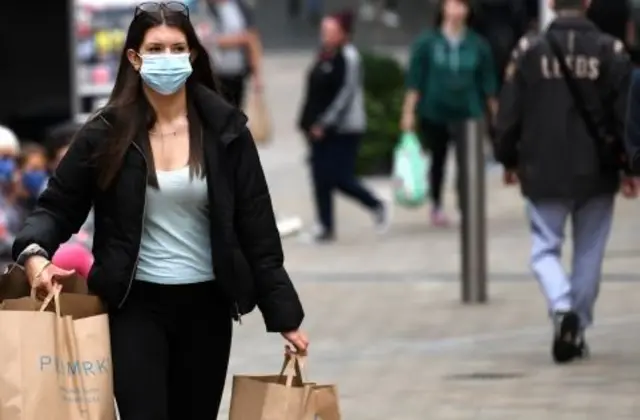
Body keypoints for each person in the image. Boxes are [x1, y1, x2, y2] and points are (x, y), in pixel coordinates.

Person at [12, 3, 308, 419]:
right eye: (155, 48)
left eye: (177, 48)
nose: (167, 58)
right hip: (134, 306)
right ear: (134, 57)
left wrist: (285, 316)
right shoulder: (105, 133)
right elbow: (57, 207)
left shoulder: (226, 132)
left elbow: (256, 228)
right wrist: (34, 254)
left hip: (207, 307)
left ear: (192, 56)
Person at [494, 0, 633, 364]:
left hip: (543, 167)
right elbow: (626, 116)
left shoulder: (529, 49)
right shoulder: (610, 50)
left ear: (552, 4)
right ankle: (579, 325)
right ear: (587, 2)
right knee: (589, 250)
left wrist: (507, 157)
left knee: (544, 248)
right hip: (596, 169)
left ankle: (561, 307)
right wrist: (631, 167)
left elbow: (510, 111)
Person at [401, 0, 498, 226]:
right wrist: (408, 112)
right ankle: (436, 204)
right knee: (437, 160)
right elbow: (415, 81)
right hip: (435, 111)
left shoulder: (477, 45)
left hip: (468, 112)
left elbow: (489, 84)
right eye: (452, 5)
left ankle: (466, 205)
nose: (456, 11)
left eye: (461, 6)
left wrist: (496, 114)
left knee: (468, 163)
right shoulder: (428, 43)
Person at [298, 10, 390, 243]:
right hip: (318, 127)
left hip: (345, 128)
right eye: (324, 31)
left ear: (344, 34)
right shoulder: (324, 55)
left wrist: (324, 123)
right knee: (319, 176)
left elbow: (345, 95)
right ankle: (325, 225)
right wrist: (308, 121)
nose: (326, 36)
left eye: (331, 31)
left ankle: (376, 204)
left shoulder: (349, 57)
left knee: (339, 176)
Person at [205, 0, 263, 107]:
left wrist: (257, 76)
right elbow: (204, 39)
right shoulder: (204, 9)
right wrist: (241, 40)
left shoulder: (241, 7)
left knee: (236, 113)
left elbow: (253, 39)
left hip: (237, 72)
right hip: (213, 75)